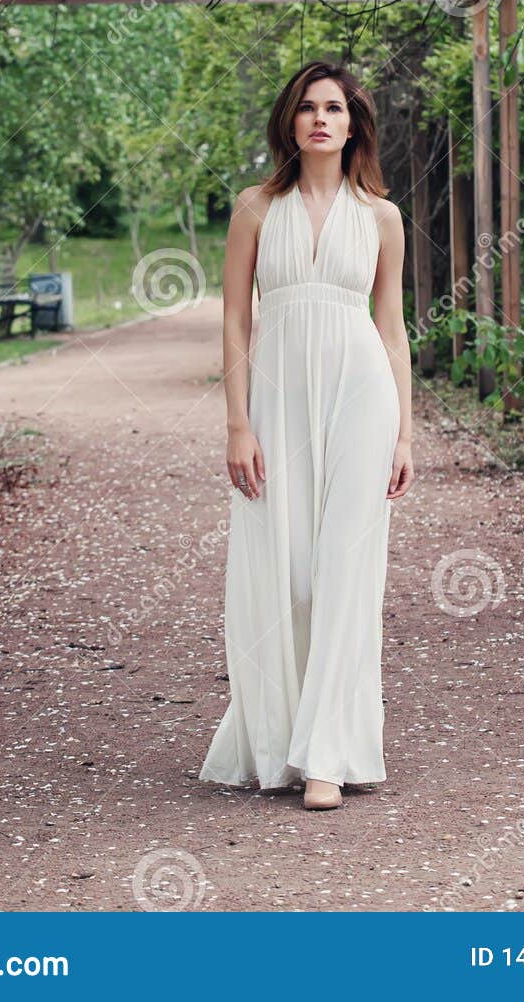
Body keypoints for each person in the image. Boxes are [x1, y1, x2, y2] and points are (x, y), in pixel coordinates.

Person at [199, 60, 414, 810]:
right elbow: (233, 319)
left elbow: (390, 329)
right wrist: (236, 422)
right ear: (290, 123)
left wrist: (405, 435)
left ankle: (329, 751)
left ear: (353, 124)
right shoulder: (256, 208)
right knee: (287, 572)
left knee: (346, 572)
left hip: (363, 395)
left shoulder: (381, 217)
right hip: (278, 399)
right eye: (307, 109)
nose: (320, 119)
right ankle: (279, 738)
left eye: (334, 108)